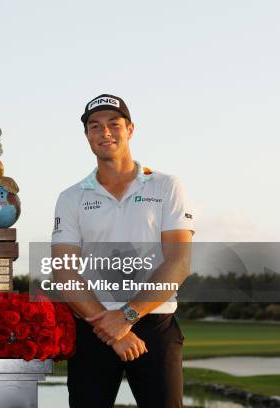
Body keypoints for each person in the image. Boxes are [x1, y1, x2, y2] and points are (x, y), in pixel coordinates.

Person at [51, 94, 194, 407]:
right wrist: (112, 328)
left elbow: (178, 261)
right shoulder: (71, 197)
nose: (105, 132)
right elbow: (64, 271)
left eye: (114, 124)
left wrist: (127, 316)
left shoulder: (166, 185)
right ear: (87, 135)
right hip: (93, 328)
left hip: (155, 326)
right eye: (95, 126)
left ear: (130, 129)